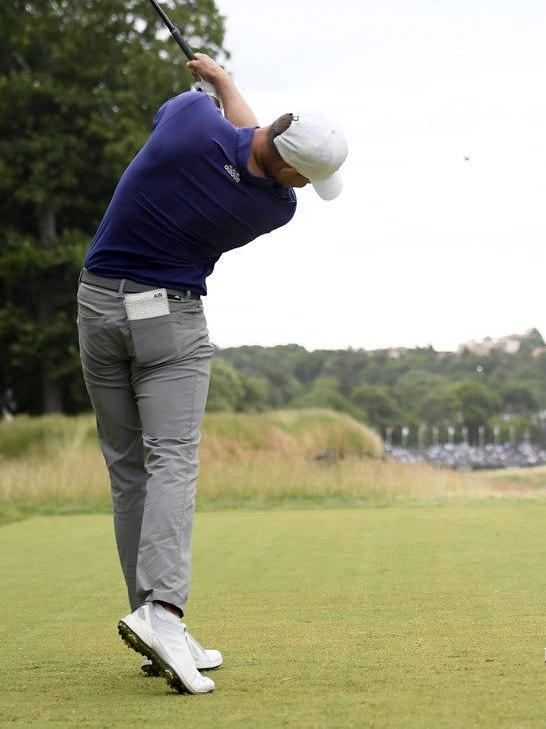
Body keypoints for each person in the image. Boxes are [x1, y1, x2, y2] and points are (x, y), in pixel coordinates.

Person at [77, 54, 347, 695]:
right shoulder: (274, 209)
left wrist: (213, 85)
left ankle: (153, 615)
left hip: (97, 305)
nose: (303, 188)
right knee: (173, 458)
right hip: (167, 320)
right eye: (306, 178)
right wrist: (225, 85)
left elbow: (242, 136)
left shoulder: (190, 122)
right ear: (288, 170)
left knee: (128, 469)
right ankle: (163, 615)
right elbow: (253, 153)